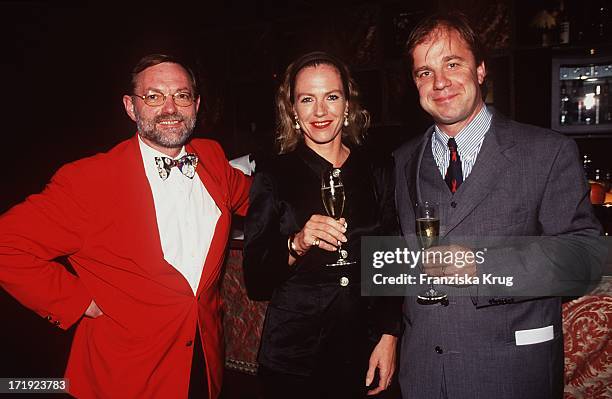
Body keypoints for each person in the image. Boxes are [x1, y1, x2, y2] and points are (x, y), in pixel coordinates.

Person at [0, 54, 251, 399]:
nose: (170, 107)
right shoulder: (88, 182)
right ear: (131, 107)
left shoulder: (211, 158)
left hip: (203, 367)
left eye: (181, 95)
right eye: (153, 96)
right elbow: (7, 244)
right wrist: (76, 301)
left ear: (196, 104)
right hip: (124, 376)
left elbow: (259, 198)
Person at [393, 12, 604, 399]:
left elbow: (585, 259)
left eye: (452, 64)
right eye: (424, 72)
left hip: (511, 374)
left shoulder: (548, 152)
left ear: (480, 70)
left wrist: (480, 265)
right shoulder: (402, 161)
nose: (439, 82)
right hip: (422, 374)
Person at [243, 51, 402, 398]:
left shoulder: (378, 169)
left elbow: (393, 259)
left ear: (347, 105)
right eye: (307, 99)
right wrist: (296, 244)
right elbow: (255, 279)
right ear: (293, 110)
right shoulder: (274, 174)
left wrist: (390, 337)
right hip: (296, 360)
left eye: (331, 97)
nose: (320, 111)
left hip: (366, 347)